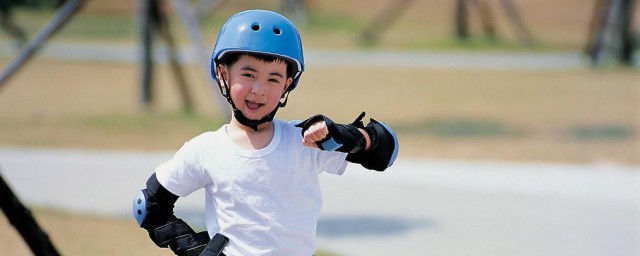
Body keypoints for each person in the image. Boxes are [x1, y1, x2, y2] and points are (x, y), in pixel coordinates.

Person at [132, 9, 398, 256]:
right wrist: (196, 250)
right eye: (248, 74)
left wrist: (346, 137)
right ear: (223, 73)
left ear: (287, 85)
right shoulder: (206, 150)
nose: (259, 89)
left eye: (273, 79)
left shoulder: (304, 140)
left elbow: (384, 150)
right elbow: (150, 207)